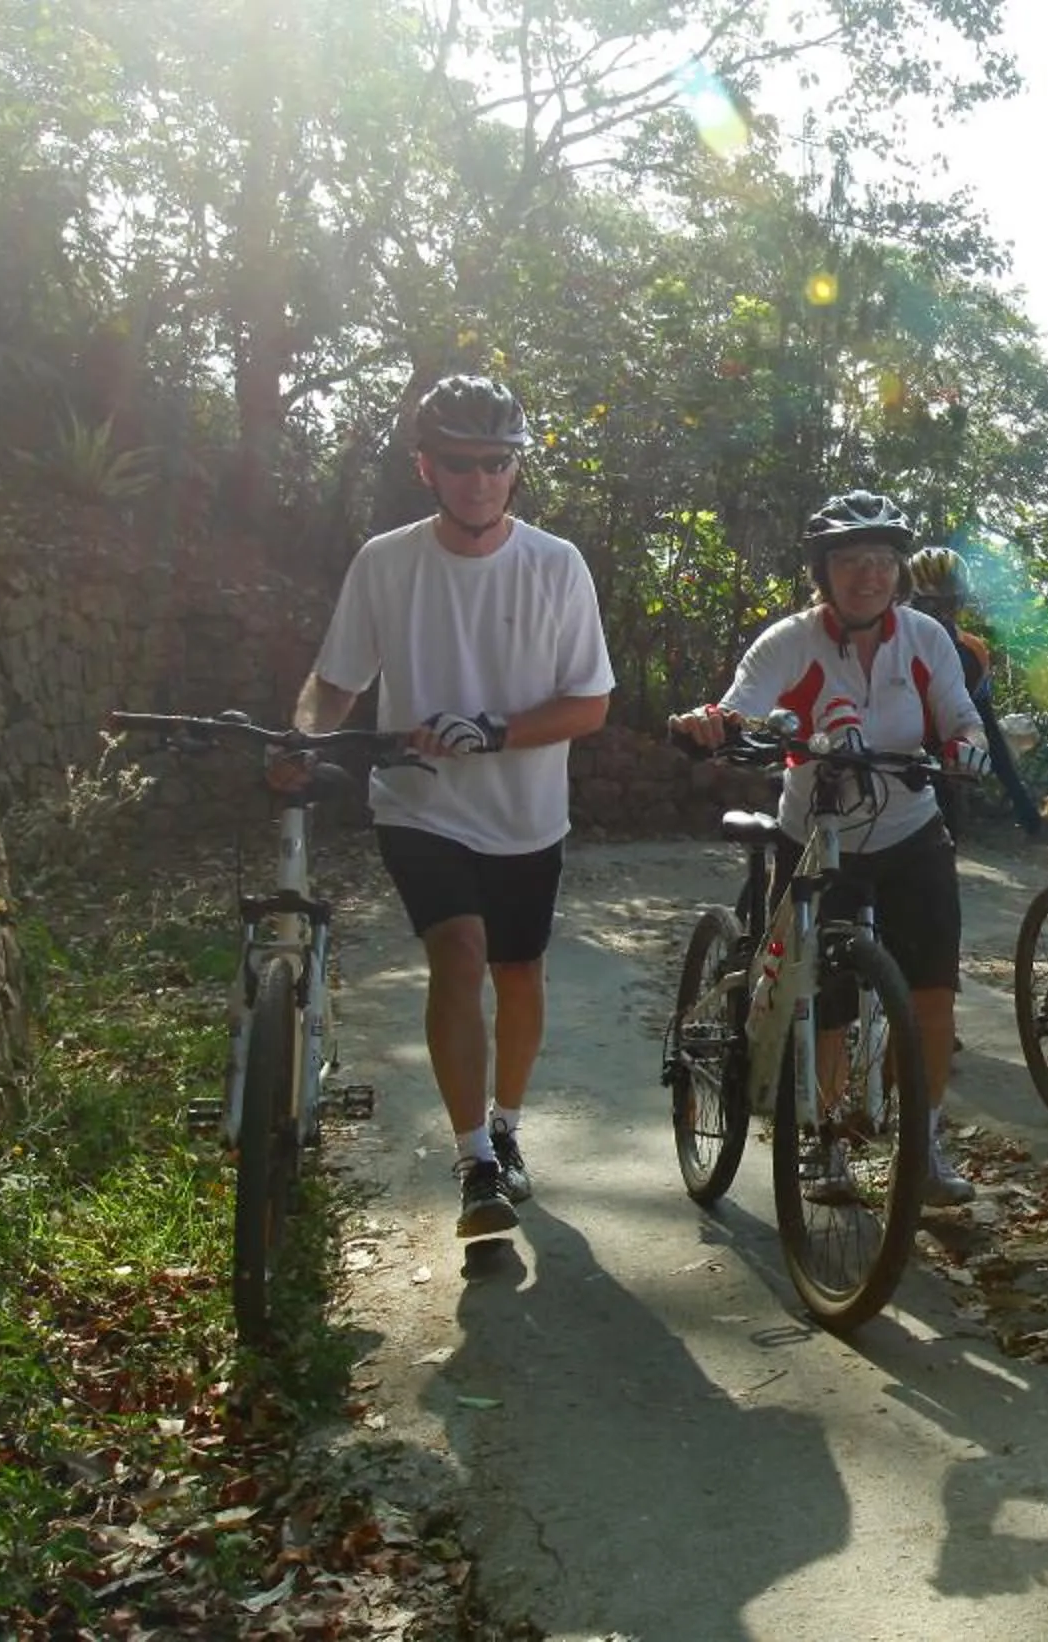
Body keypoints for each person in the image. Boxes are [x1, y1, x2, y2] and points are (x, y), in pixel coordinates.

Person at [286, 373, 616, 1239]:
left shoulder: (557, 565)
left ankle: (507, 1127)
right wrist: (302, 740)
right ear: (425, 467)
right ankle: (473, 1161)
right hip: (419, 804)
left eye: (497, 464)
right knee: (459, 953)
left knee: (518, 972)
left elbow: (590, 705)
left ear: (515, 470)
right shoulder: (385, 562)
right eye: (461, 463)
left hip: (527, 813)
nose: (480, 481)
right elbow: (335, 684)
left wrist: (494, 731)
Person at [668, 491, 993, 1207]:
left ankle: (925, 1142)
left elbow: (961, 719)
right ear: (824, 572)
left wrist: (967, 749)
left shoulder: (925, 641)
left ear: (900, 572)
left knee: (933, 990)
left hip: (911, 827)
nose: (868, 576)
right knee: (828, 997)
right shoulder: (791, 639)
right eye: (850, 562)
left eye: (882, 561)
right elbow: (744, 701)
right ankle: (825, 1143)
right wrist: (714, 723)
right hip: (819, 833)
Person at [903, 543, 1041, 839]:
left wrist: (1020, 798)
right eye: (927, 605)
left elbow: (985, 723)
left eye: (947, 605)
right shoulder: (886, 640)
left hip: (941, 764)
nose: (939, 616)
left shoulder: (974, 651)